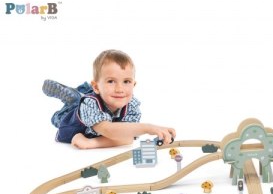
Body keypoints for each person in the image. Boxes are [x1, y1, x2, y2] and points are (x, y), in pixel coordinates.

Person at [43, 49, 176, 149]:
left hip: (94, 115)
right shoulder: (91, 104)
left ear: (134, 84)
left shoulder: (131, 105)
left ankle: (78, 96)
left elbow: (127, 138)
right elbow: (108, 130)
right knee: (61, 117)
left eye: (126, 81)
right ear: (96, 86)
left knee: (86, 102)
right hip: (73, 122)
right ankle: (74, 99)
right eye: (111, 81)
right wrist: (148, 128)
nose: (120, 89)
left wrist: (91, 143)